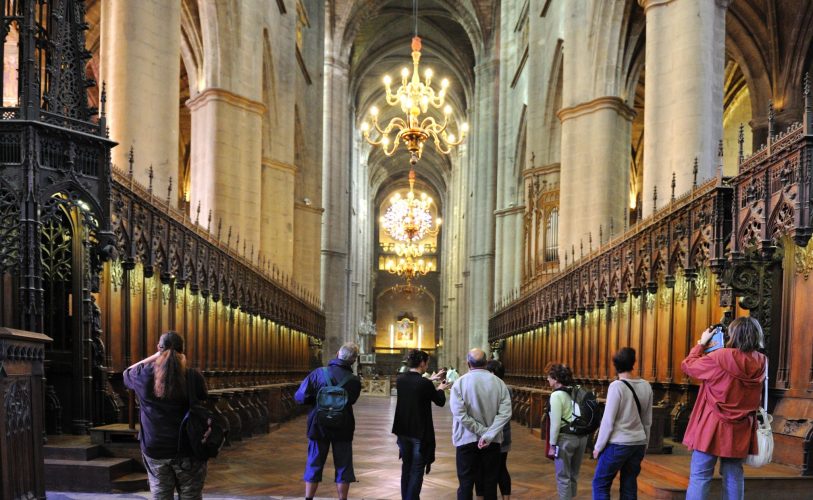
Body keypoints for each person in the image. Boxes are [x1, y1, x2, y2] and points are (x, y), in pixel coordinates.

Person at [682, 317, 767, 500]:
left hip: (711, 424)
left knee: (700, 475)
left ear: (733, 334)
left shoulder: (720, 356)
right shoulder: (761, 361)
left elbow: (688, 366)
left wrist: (702, 344)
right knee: (733, 475)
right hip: (740, 427)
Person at [123, 331, 208, 500]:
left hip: (156, 449)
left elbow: (127, 372)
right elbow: (203, 400)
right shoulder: (193, 377)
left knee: (160, 496)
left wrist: (154, 357)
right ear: (183, 351)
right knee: (191, 496)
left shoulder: (143, 375)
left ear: (158, 349)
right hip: (187, 448)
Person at [295, 342, 362, 500]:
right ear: (353, 360)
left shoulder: (318, 373)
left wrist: (316, 399)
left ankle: (309, 498)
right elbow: (351, 400)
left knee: (314, 462)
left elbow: (299, 397)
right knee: (344, 465)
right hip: (343, 425)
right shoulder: (354, 380)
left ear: (338, 353)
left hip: (319, 425)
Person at [450, 348, 512, 500]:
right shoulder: (499, 384)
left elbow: (460, 414)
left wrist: (480, 431)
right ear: (486, 363)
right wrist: (488, 434)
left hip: (466, 439)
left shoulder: (459, 383)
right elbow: (505, 413)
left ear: (467, 363)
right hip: (492, 441)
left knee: (466, 483)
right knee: (490, 482)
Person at [591, 347, 653, 500]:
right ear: (633, 363)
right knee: (629, 484)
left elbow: (608, 421)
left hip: (618, 444)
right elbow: (647, 421)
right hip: (638, 443)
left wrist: (598, 447)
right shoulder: (646, 385)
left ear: (615, 365)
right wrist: (645, 444)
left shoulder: (616, 386)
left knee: (600, 484)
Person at [392, 349, 450, 499]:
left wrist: (429, 380)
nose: (427, 366)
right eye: (427, 363)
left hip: (403, 430)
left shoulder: (401, 379)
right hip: (419, 432)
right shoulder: (424, 383)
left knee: (406, 468)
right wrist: (441, 388)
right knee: (417, 470)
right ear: (422, 363)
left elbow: (415, 385)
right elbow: (440, 401)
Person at [546, 363, 587, 500]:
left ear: (556, 378)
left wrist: (552, 445)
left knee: (563, 477)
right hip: (581, 437)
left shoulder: (556, 396)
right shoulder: (575, 391)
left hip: (565, 439)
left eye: (549, 376)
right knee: (573, 475)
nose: (547, 379)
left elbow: (556, 424)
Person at [475, 359, 512, 500]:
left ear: (492, 372)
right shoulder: (506, 387)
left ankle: (482, 496)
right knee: (501, 467)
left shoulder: (498, 387)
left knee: (487, 468)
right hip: (503, 433)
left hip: (494, 434)